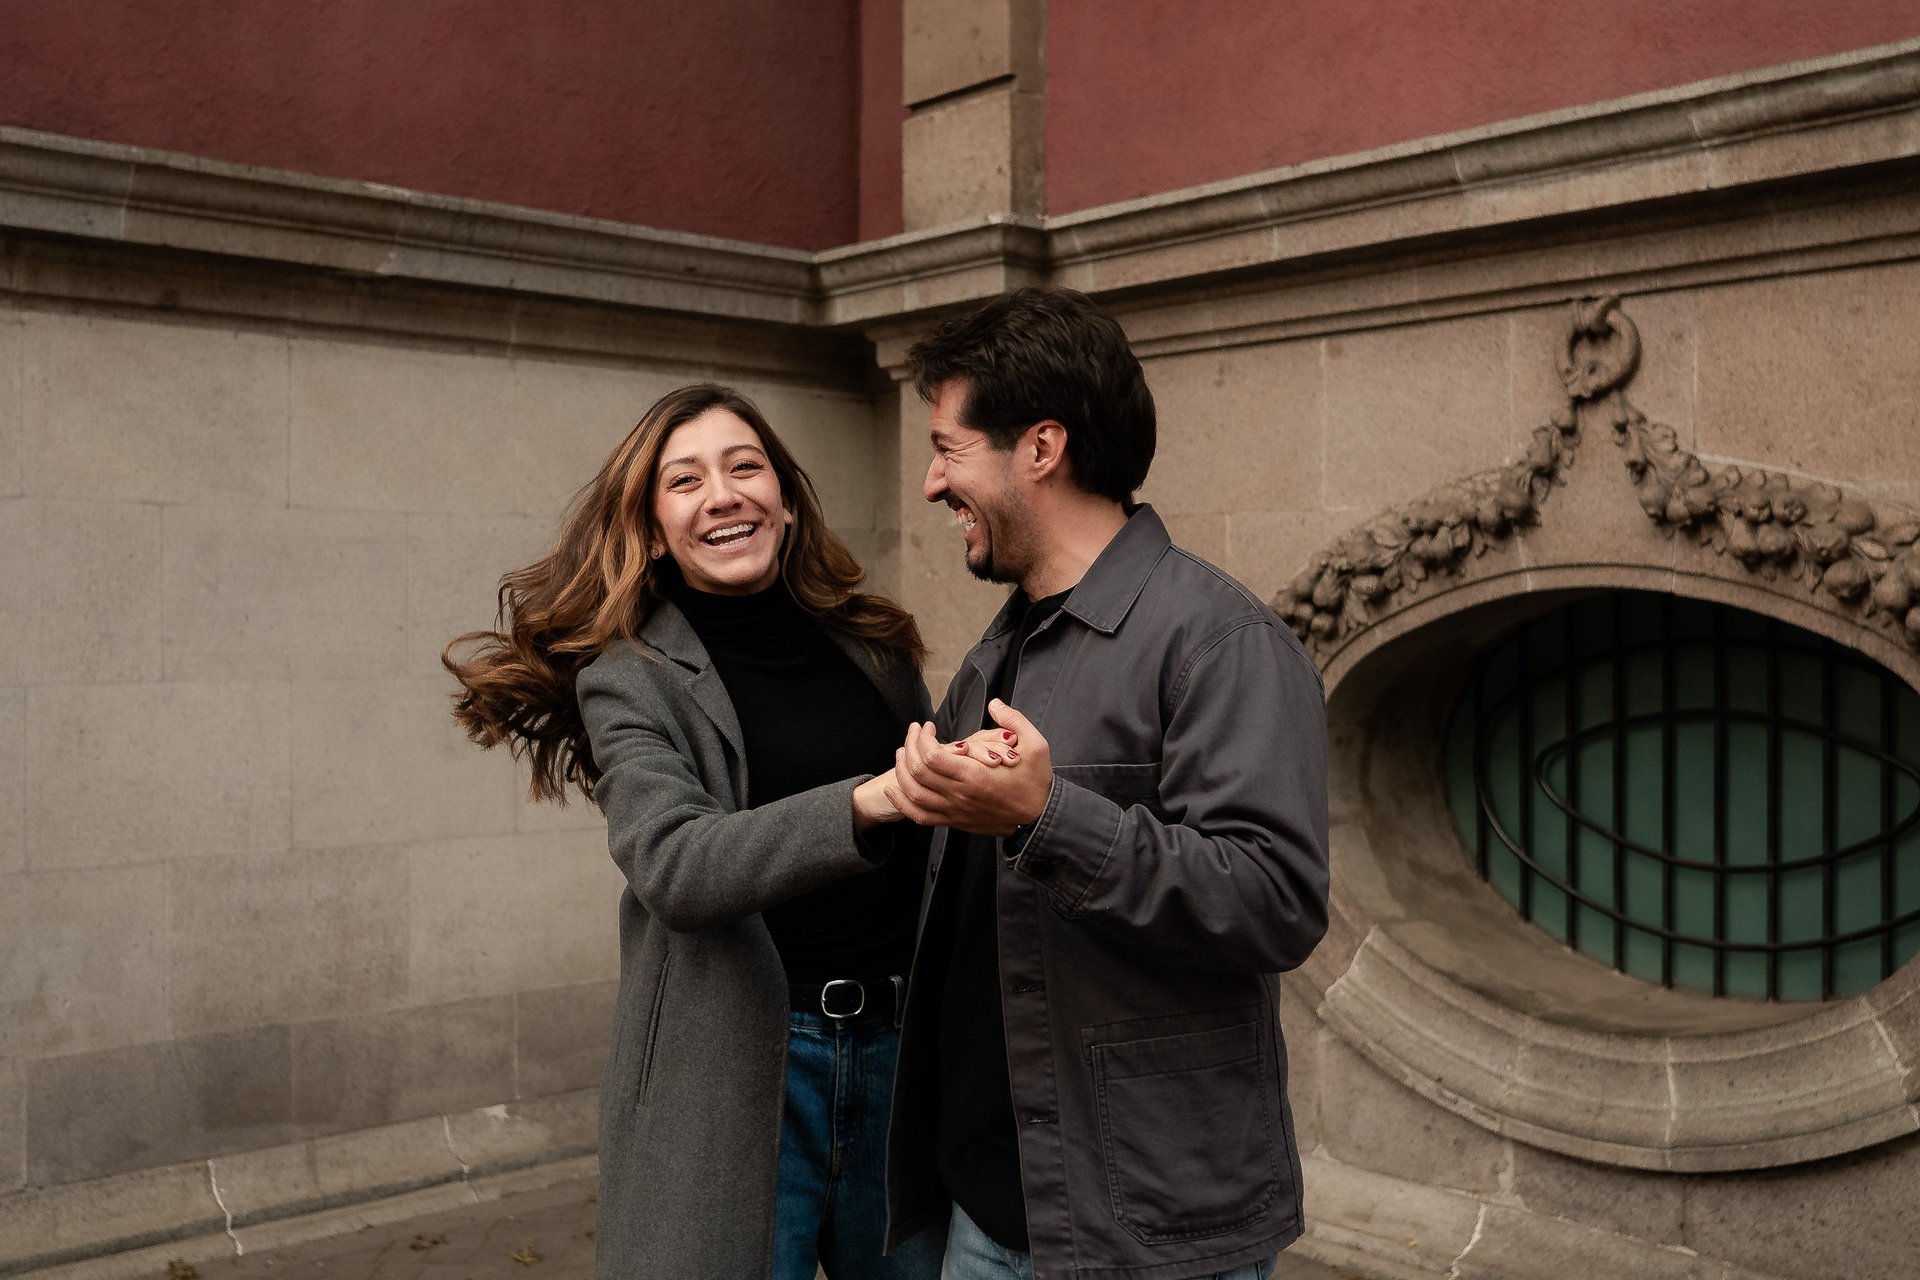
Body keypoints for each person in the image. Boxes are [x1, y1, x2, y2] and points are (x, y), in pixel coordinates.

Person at [443, 383, 1014, 1280]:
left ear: (785, 501)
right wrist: (866, 801)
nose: (723, 494)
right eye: (685, 481)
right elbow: (674, 864)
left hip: (902, 1061)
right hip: (747, 1068)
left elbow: (937, 848)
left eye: (746, 467)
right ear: (653, 524)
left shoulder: (874, 645)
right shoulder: (629, 677)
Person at [878, 288, 1331, 1280]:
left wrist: (1046, 817)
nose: (928, 483)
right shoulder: (996, 654)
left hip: (1148, 1235)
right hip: (989, 1209)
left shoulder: (1221, 640)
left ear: (1040, 447)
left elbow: (1277, 901)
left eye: (948, 449)